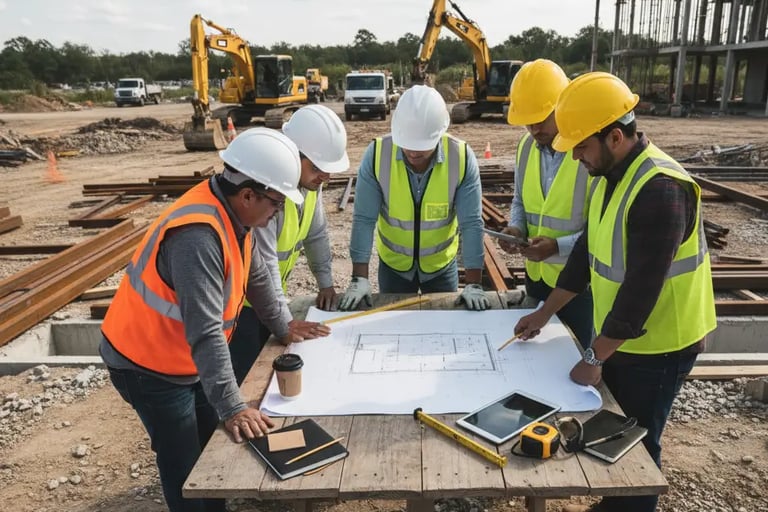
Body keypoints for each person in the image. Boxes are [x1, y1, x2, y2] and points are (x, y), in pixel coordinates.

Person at [513, 72, 716, 512]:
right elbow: (586, 256)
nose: (577, 158)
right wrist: (544, 313)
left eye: (582, 147)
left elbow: (640, 295)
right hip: (628, 338)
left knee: (639, 443)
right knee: (616, 433)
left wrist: (593, 357)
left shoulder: (660, 191)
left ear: (616, 137)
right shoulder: (613, 176)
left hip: (663, 343)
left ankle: (631, 504)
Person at [99, 128, 329, 512]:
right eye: (276, 203)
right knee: (185, 465)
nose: (279, 212)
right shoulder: (198, 238)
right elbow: (206, 332)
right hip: (147, 365)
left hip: (183, 360)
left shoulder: (236, 217)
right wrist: (233, 406)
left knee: (211, 453)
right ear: (248, 194)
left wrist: (283, 326)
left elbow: (256, 277)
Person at [337, 84, 489, 311]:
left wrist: (474, 283)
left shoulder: (461, 158)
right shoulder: (378, 155)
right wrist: (359, 278)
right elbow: (363, 220)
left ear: (439, 134)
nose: (414, 152)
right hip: (393, 268)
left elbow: (472, 224)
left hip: (441, 267)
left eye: (423, 146)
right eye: (407, 145)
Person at [228, 104, 348, 385]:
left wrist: (325, 283)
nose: (325, 178)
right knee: (247, 379)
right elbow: (266, 261)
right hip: (241, 308)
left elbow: (316, 234)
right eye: (318, 168)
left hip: (266, 302)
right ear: (294, 154)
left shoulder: (309, 187)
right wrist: (283, 322)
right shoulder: (268, 191)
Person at [502, 59, 594, 349]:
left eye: (541, 118)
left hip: (580, 285)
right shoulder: (526, 147)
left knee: (574, 353)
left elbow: (601, 229)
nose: (533, 128)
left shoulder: (588, 152)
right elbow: (520, 199)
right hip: (538, 278)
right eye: (528, 120)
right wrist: (515, 229)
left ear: (563, 105)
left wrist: (557, 247)